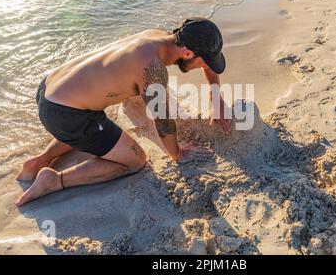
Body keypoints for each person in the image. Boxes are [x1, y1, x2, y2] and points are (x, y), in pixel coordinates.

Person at [15, 17, 231, 206]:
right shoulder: (152, 68)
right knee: (136, 160)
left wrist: (216, 97)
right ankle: (55, 180)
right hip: (65, 114)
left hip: (50, 88)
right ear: (188, 53)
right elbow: (163, 120)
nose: (205, 67)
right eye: (204, 62)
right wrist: (178, 153)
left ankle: (40, 160)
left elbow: (206, 65)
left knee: (120, 102)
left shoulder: (158, 37)